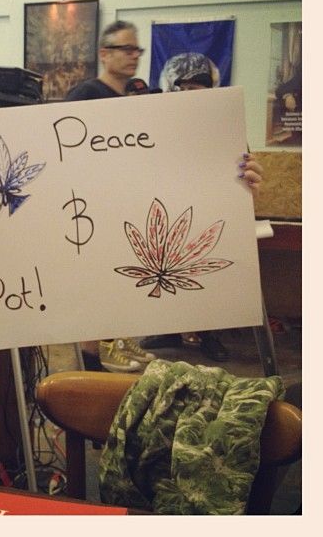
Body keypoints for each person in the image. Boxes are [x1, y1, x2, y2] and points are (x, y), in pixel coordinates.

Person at [65, 20, 263, 371]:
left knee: (121, 290)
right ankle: (91, 366)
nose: (134, 55)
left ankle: (119, 343)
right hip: (97, 210)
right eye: (126, 48)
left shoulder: (138, 101)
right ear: (104, 53)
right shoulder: (88, 94)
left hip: (136, 209)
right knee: (97, 293)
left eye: (137, 49)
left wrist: (237, 182)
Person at [140, 65, 264, 362]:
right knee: (170, 273)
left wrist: (247, 184)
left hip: (211, 212)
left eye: (193, 89)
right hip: (173, 210)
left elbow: (241, 168)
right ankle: (170, 331)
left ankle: (210, 336)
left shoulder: (226, 128)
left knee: (209, 278)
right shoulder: (169, 124)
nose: (186, 94)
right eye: (182, 89)